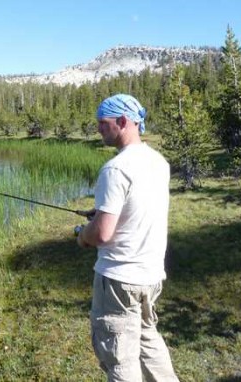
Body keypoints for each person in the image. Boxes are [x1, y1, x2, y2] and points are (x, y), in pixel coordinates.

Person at [74, 94, 177, 381]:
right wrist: (103, 212)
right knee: (148, 342)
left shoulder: (115, 168)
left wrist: (84, 235)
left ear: (122, 121)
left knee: (119, 359)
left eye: (102, 123)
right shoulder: (158, 162)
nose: (99, 129)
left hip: (119, 281)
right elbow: (138, 207)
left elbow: (103, 234)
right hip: (151, 276)